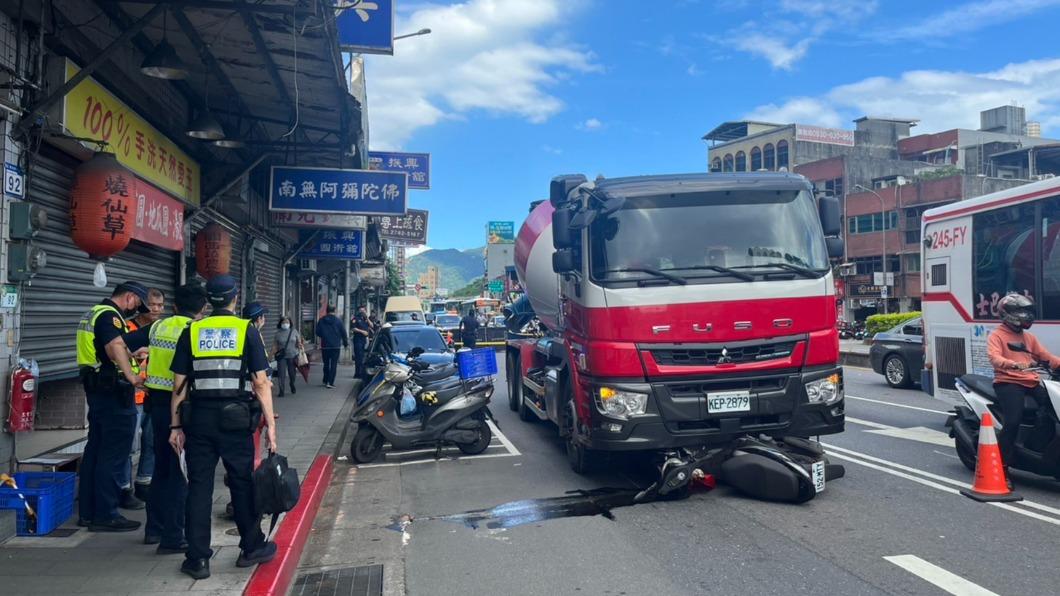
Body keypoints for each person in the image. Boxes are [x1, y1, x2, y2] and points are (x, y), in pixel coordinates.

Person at [169, 275, 277, 579]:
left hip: (199, 419)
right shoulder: (246, 330)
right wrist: (270, 424)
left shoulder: (192, 331)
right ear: (235, 297)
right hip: (236, 420)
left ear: (207, 301)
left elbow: (179, 385)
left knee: (199, 487)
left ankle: (198, 559)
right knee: (241, 482)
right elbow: (260, 382)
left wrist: (175, 426)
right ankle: (251, 546)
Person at [128, 283, 207, 554]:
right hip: (181, 408)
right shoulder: (196, 331)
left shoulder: (157, 327)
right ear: (203, 308)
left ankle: (154, 529)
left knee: (161, 469)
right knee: (179, 472)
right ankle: (174, 536)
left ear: (173, 306)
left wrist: (133, 375)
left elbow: (119, 344)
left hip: (155, 404)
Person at [76, 281, 148, 532]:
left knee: (95, 450)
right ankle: (106, 514)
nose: (136, 310)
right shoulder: (111, 316)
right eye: (137, 304)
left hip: (97, 390)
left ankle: (88, 512)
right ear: (129, 297)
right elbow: (113, 346)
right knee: (113, 454)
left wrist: (130, 356)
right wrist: (132, 377)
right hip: (113, 392)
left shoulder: (93, 313)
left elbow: (103, 351)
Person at [987, 293, 1060, 473]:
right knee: (1013, 421)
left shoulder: (1028, 338)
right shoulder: (996, 336)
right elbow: (994, 357)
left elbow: (1046, 356)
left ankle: (1036, 444)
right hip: (1008, 382)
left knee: (1052, 410)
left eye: (1027, 311)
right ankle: (1002, 465)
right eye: (1021, 311)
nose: (1026, 315)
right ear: (1008, 313)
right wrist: (1013, 364)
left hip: (1031, 382)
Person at [122, 287, 166, 506]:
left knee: (151, 442)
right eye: (153, 305)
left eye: (160, 305)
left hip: (153, 395)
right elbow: (115, 353)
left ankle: (144, 483)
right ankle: (123, 488)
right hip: (130, 395)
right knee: (128, 445)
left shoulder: (160, 330)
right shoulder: (127, 328)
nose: (157, 309)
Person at [315, 305, 348, 389]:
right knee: (333, 365)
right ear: (335, 311)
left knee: (326, 364)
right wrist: (345, 344)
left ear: (326, 311)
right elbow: (343, 333)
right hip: (335, 346)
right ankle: (330, 382)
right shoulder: (338, 321)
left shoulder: (321, 320)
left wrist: (324, 336)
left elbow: (317, 332)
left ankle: (325, 379)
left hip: (325, 345)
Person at [273, 317, 303, 396]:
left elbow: (298, 342)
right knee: (281, 374)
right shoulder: (278, 333)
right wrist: (270, 356)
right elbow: (275, 346)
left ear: (290, 323)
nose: (285, 324)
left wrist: (299, 345)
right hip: (281, 356)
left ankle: (292, 384)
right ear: (281, 323)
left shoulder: (294, 331)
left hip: (293, 355)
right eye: (283, 322)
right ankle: (281, 390)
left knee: (292, 373)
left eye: (287, 322)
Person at [351, 307, 372, 381]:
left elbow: (372, 326)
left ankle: (360, 372)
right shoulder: (355, 319)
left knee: (362, 357)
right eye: (361, 311)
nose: (362, 312)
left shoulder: (365, 319)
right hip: (358, 340)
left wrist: (367, 318)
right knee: (358, 357)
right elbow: (353, 328)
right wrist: (362, 331)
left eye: (364, 311)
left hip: (364, 340)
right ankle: (357, 374)